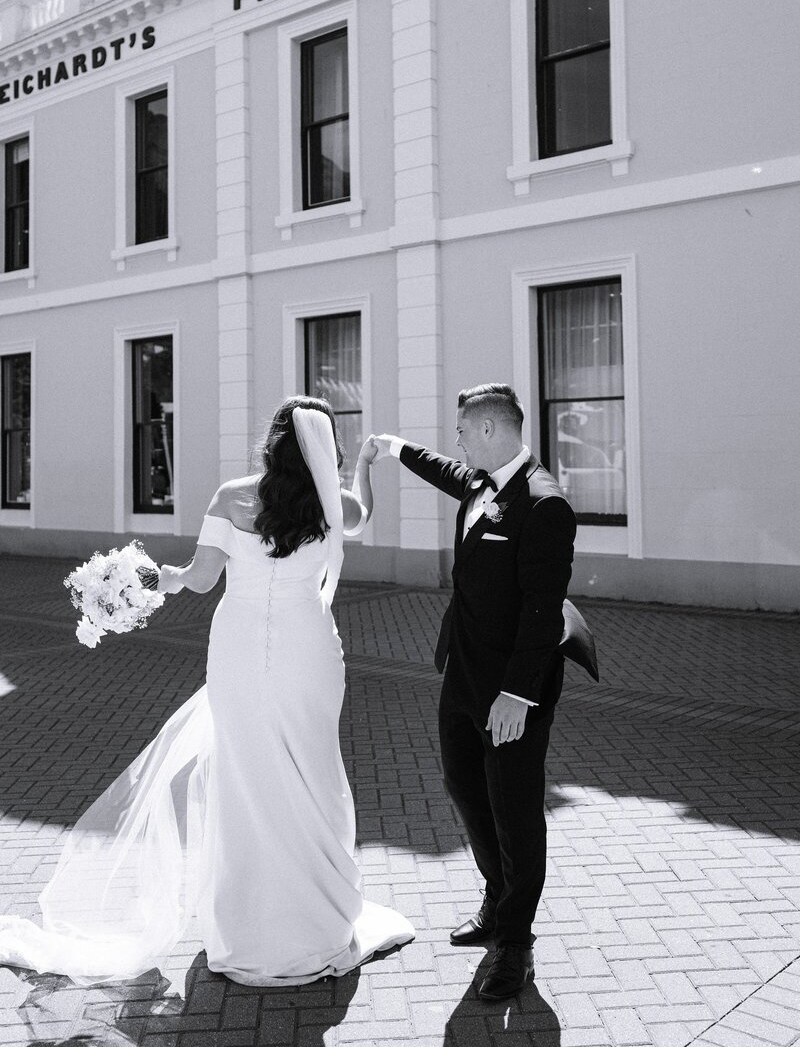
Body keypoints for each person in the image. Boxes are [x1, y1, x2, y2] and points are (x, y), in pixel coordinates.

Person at [0, 396, 414, 992]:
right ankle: (313, 914)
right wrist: (366, 469)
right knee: (311, 768)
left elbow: (199, 580)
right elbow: (363, 515)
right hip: (308, 651)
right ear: (325, 448)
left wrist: (148, 580)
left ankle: (247, 924)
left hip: (239, 647)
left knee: (244, 774)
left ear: (271, 442)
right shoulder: (333, 501)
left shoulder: (231, 497)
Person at [367, 383, 584, 1001]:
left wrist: (517, 695)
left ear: (489, 430)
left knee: (515, 813)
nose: (457, 441)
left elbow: (543, 612)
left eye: (463, 430)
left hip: (514, 692)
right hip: (462, 676)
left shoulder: (544, 504)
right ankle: (497, 901)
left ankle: (514, 945)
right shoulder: (482, 483)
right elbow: (444, 470)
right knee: (465, 790)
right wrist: (395, 449)